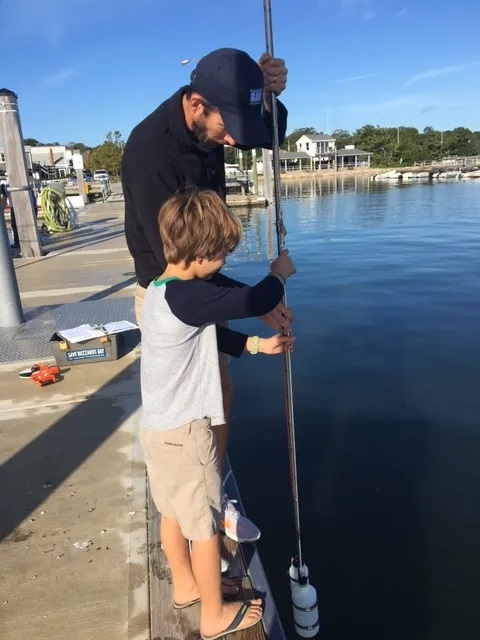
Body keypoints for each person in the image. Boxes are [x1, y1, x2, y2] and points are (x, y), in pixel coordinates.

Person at [122, 46, 291, 543]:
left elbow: (266, 134)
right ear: (197, 105)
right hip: (171, 291)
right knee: (193, 410)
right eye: (227, 127)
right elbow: (182, 276)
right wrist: (259, 300)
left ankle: (213, 492)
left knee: (221, 392)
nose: (234, 140)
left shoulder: (214, 117)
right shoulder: (152, 156)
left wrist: (271, 102)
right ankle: (200, 506)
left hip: (205, 285)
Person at [138, 189, 296, 640]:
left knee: (172, 513)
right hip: (187, 434)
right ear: (201, 254)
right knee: (205, 527)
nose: (222, 265)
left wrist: (254, 345)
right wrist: (277, 276)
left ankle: (186, 586)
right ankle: (213, 614)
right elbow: (249, 302)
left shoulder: (161, 290)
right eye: (221, 256)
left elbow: (209, 337)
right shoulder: (189, 298)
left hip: (159, 429)